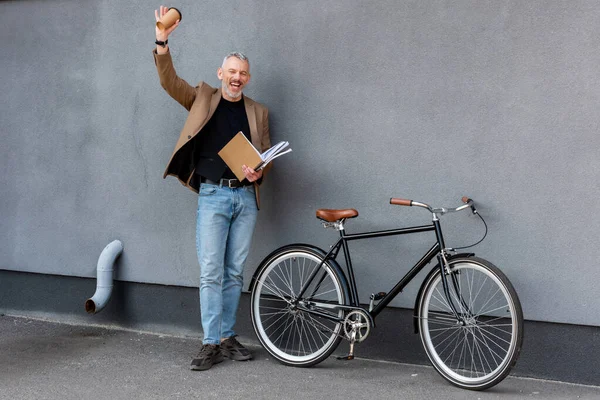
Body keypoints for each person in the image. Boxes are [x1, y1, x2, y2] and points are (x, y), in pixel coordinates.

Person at [153, 5, 272, 371]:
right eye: (231, 72)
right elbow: (169, 81)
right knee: (211, 271)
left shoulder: (258, 112)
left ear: (248, 79)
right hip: (213, 195)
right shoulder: (203, 97)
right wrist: (162, 42)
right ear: (221, 73)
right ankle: (209, 342)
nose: (237, 78)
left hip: (244, 198)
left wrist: (258, 172)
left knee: (235, 271)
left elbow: (264, 156)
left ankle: (225, 335)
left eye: (243, 74)